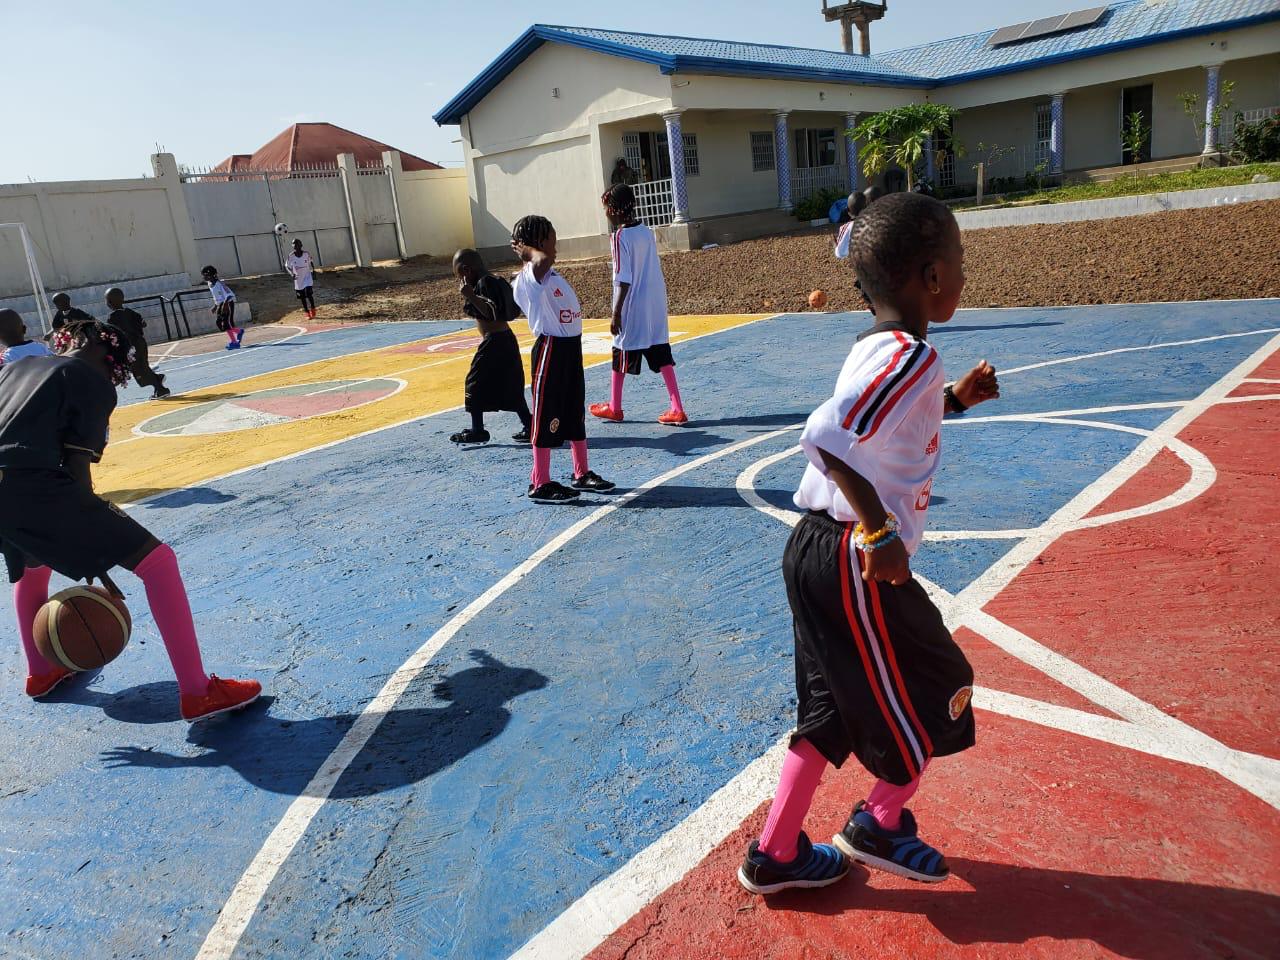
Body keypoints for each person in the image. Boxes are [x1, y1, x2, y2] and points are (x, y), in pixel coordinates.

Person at [737, 193, 999, 895]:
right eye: (960, 262)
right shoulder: (914, 356)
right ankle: (879, 824)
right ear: (930, 276)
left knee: (826, 714)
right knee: (937, 686)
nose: (964, 276)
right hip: (856, 556)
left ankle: (775, 853)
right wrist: (880, 530)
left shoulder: (880, 350)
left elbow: (884, 420)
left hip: (815, 551)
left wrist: (955, 403)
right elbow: (825, 435)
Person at [0, 320, 261, 720]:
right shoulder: (88, 379)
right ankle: (198, 692)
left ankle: (41, 671)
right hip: (32, 482)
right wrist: (95, 548)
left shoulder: (13, 368)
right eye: (115, 369)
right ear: (105, 357)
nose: (113, 378)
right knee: (157, 562)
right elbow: (76, 470)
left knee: (33, 570)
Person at [509, 214, 614, 503]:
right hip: (550, 350)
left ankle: (581, 472)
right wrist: (528, 251)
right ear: (537, 245)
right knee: (545, 414)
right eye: (551, 243)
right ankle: (539, 481)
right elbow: (541, 261)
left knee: (573, 412)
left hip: (569, 349)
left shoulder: (550, 275)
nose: (556, 249)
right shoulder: (530, 276)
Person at [589, 184, 687, 426]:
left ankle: (615, 406)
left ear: (614, 210)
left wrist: (616, 313)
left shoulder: (620, 237)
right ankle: (677, 407)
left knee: (621, 349)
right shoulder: (645, 231)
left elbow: (623, 277)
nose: (606, 214)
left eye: (606, 209)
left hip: (633, 302)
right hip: (654, 300)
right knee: (660, 350)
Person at [449, 248, 534, 444]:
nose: (459, 281)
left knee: (475, 382)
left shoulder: (484, 283)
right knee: (511, 385)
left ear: (466, 270)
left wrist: (470, 296)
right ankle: (530, 425)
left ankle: (478, 430)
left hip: (494, 341)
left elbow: (491, 312)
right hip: (505, 340)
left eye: (458, 275)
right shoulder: (492, 281)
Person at [104, 288, 170, 399]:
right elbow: (143, 323)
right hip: (141, 343)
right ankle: (158, 382)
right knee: (143, 368)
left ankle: (161, 388)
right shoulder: (131, 312)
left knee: (140, 374)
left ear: (109, 302)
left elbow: (114, 334)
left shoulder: (112, 318)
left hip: (130, 347)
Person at [200, 265, 245, 350]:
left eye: (204, 275)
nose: (203, 277)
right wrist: (215, 305)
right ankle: (239, 332)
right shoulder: (210, 284)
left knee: (228, 323)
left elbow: (229, 295)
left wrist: (224, 305)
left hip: (228, 303)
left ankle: (234, 342)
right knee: (219, 323)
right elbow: (216, 296)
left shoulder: (220, 284)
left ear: (209, 274)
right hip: (220, 304)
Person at [285, 239, 318, 319]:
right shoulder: (291, 256)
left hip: (307, 277)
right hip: (298, 279)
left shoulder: (306, 254)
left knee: (309, 294)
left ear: (301, 245)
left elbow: (311, 262)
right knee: (302, 297)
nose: (295, 246)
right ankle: (307, 312)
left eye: (296, 244)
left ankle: (313, 308)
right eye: (293, 244)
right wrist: (291, 274)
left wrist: (313, 271)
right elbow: (287, 266)